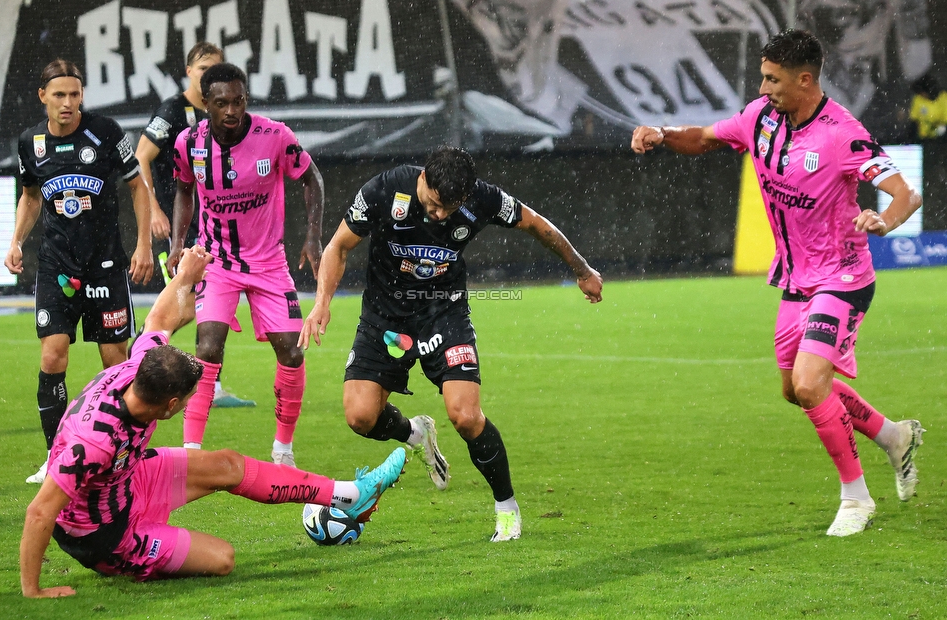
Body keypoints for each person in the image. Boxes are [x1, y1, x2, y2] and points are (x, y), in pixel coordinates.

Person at [630, 29, 925, 537]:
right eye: (763, 77)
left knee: (811, 385)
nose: (764, 87)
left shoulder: (841, 133)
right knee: (796, 391)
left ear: (804, 79)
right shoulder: (760, 118)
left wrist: (883, 221)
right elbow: (703, 137)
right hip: (795, 279)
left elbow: (905, 194)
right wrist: (662, 132)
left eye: (773, 78)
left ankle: (855, 498)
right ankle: (892, 435)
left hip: (843, 276)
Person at [19, 244, 405, 598]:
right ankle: (125, 559)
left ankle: (351, 496)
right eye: (188, 399)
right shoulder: (95, 442)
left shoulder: (140, 366)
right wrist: (33, 590)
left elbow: (160, 318)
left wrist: (187, 277)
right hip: (106, 535)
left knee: (229, 465)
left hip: (127, 478)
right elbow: (40, 511)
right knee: (222, 559)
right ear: (170, 405)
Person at [299, 146, 603, 542]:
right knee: (360, 417)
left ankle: (506, 508)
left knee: (465, 415)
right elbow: (338, 246)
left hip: (444, 313)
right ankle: (416, 435)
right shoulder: (386, 190)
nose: (440, 215)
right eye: (435, 204)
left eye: (449, 208)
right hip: (385, 317)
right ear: (422, 178)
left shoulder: (483, 198)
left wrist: (581, 269)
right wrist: (322, 303)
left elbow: (537, 224)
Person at [166, 62, 325, 467]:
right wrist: (177, 245)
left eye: (238, 101)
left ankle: (283, 450)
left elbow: (312, 179)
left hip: (269, 264)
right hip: (216, 260)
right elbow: (184, 189)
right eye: (222, 103)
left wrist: (313, 235)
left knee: (292, 353)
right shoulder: (189, 144)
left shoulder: (274, 136)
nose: (232, 110)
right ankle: (190, 453)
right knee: (207, 347)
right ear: (205, 103)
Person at [5, 59, 154, 485]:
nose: (68, 103)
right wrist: (15, 241)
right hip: (56, 266)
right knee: (53, 355)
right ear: (43, 98)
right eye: (59, 95)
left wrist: (143, 245)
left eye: (74, 94)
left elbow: (137, 186)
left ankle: (125, 453)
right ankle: (55, 458)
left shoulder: (105, 133)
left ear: (82, 95)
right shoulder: (29, 142)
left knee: (115, 362)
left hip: (105, 267)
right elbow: (30, 198)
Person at [134, 42, 251, 408]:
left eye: (214, 70)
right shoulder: (173, 111)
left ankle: (206, 382)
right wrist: (154, 208)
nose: (207, 76)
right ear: (189, 72)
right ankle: (144, 351)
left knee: (209, 305)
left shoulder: (222, 110)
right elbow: (141, 156)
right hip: (184, 226)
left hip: (212, 225)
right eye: (202, 69)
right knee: (189, 304)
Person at [908, 73, 947, 142]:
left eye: (922, 93)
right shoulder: (918, 99)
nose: (922, 95)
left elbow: (944, 120)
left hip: (941, 141)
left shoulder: (943, 97)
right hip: (923, 140)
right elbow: (914, 119)